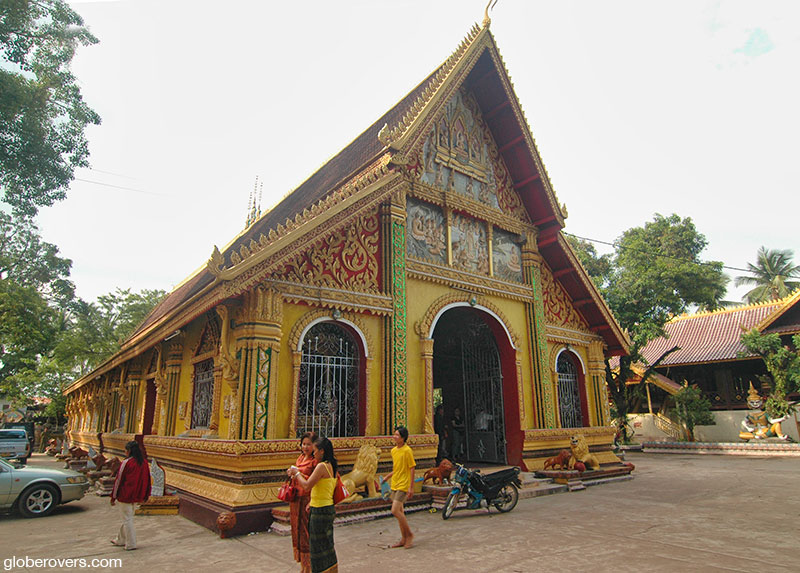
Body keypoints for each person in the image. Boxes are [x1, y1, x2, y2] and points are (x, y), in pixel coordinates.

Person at [289, 437, 338, 573]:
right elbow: (323, 486)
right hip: (327, 507)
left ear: (322, 451)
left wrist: (296, 472)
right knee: (327, 546)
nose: (313, 453)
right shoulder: (332, 465)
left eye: (315, 450)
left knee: (316, 550)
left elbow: (306, 485)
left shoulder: (321, 466)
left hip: (320, 511)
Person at [110, 441, 151, 550]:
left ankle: (131, 543)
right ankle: (120, 539)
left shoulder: (126, 463)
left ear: (129, 451)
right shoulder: (144, 463)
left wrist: (113, 496)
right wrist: (146, 495)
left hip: (125, 495)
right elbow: (148, 480)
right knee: (127, 517)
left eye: (125, 450)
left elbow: (119, 480)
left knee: (127, 519)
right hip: (137, 495)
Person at [380, 426, 416, 549]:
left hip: (403, 484)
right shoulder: (394, 451)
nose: (394, 437)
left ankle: (410, 534)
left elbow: (412, 468)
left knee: (394, 510)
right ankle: (403, 538)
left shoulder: (407, 451)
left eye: (397, 435)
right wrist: (387, 477)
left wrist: (411, 487)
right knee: (400, 512)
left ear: (403, 438)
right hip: (395, 483)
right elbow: (397, 468)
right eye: (394, 434)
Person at [288, 432, 318, 573]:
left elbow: (315, 481)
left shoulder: (315, 462)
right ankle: (303, 566)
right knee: (297, 531)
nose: (305, 447)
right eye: (303, 444)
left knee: (306, 533)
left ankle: (309, 566)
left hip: (307, 498)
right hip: (296, 498)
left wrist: (298, 474)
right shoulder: (300, 458)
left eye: (309, 444)